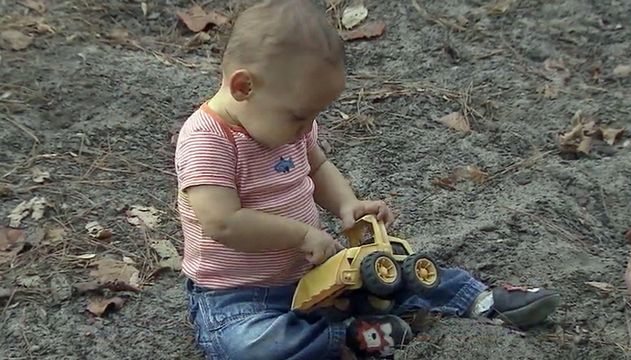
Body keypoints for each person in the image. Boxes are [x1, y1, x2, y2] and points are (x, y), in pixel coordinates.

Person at [173, 1, 560, 359]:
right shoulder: (208, 140)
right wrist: (301, 236)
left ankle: (477, 299)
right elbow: (223, 222)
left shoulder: (286, 126)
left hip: (313, 274)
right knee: (247, 346)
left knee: (398, 268)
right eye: (298, 116)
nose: (306, 128)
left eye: (312, 116)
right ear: (244, 87)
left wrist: (346, 204)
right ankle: (349, 339)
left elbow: (318, 166)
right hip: (237, 296)